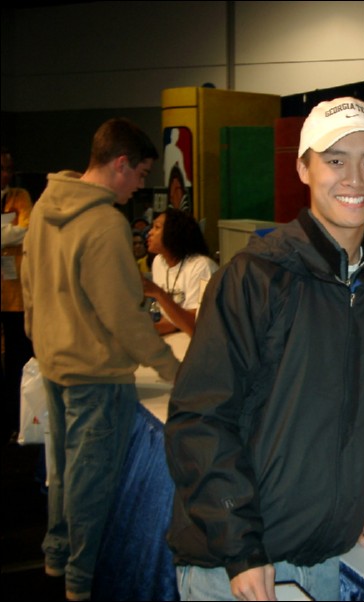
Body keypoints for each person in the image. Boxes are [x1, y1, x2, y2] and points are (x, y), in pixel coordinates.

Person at [164, 97, 364, 601]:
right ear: (303, 168)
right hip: (239, 564)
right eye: (335, 160)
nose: (355, 179)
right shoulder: (255, 277)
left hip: (321, 553)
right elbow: (200, 420)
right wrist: (242, 549)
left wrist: (356, 504)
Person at [21, 118, 181, 601]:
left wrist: (40, 338)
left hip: (56, 362)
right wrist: (171, 368)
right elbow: (124, 315)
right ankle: (81, 582)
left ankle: (57, 559)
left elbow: (31, 288)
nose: (139, 186)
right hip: (97, 374)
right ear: (119, 165)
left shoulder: (48, 206)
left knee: (66, 471)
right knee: (92, 482)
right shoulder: (104, 223)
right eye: (139, 174)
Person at [1, 147, 34, 442]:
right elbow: (11, 233)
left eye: (8, 168)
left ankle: (16, 422)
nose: (5, 174)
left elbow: (24, 231)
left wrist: (9, 234)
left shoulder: (20, 197)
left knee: (17, 361)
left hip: (15, 298)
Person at [143, 208, 217, 336]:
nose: (149, 233)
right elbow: (171, 321)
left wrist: (158, 293)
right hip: (179, 336)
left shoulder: (201, 266)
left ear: (173, 233)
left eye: (156, 227)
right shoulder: (158, 262)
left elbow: (196, 327)